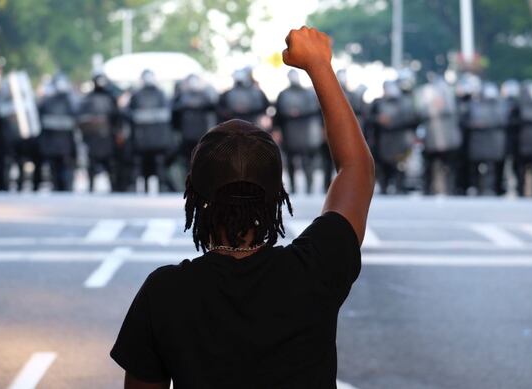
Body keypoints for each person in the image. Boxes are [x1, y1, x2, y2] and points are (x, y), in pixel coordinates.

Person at [110, 27, 375, 389]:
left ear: (195, 198)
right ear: (275, 198)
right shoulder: (316, 268)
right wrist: (318, 65)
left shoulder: (165, 292)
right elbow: (356, 168)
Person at [275, 69, 323, 194]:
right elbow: (278, 114)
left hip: (305, 131)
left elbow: (316, 111)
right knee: (290, 160)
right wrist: (277, 129)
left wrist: (299, 113)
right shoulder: (283, 94)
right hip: (289, 131)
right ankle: (293, 186)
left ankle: (309, 186)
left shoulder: (309, 94)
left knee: (307, 160)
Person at [128, 70, 175, 193]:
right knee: (141, 163)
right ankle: (140, 187)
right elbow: (129, 114)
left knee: (158, 163)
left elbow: (167, 114)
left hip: (156, 139)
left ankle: (162, 186)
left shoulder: (160, 94)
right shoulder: (137, 95)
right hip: (142, 138)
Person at [77, 73, 121, 192]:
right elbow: (81, 120)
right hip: (94, 139)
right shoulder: (88, 99)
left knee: (110, 166)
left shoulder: (111, 98)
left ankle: (114, 187)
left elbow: (117, 118)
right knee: (93, 165)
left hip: (107, 139)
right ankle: (92, 186)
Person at [37, 73, 78, 191]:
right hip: (58, 144)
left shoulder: (68, 101)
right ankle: (61, 187)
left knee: (61, 169)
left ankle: (63, 187)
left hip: (62, 144)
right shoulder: (66, 101)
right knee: (58, 169)